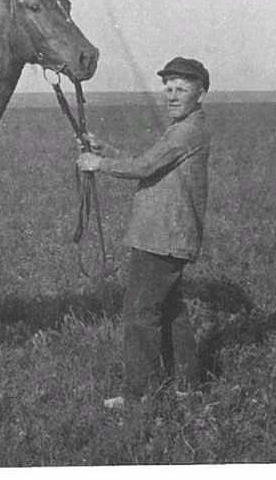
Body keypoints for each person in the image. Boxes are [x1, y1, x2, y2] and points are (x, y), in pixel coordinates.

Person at [77, 56, 211, 409]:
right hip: (167, 236)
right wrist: (105, 150)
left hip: (161, 237)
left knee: (139, 312)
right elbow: (151, 165)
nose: (171, 95)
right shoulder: (185, 127)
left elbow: (145, 166)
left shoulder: (187, 130)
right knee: (170, 310)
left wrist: (99, 164)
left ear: (201, 93)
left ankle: (138, 393)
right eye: (168, 88)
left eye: (181, 89)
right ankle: (187, 385)